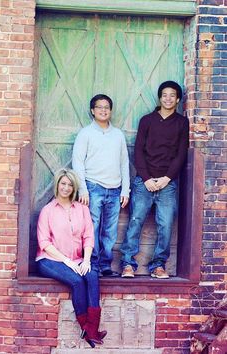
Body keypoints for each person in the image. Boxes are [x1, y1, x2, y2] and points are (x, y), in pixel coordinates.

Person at [120, 81, 189, 279]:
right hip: (144, 182)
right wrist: (147, 178)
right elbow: (138, 151)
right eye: (164, 94)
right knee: (135, 220)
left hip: (167, 183)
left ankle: (158, 266)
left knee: (166, 224)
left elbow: (181, 154)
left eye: (172, 95)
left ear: (177, 99)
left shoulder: (182, 123)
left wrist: (167, 178)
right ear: (160, 98)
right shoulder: (147, 120)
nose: (168, 98)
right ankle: (127, 264)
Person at [36, 169, 107, 348]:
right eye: (63, 183)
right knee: (76, 281)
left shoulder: (82, 209)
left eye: (69, 184)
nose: (66, 188)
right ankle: (87, 328)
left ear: (74, 188)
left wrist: (86, 260)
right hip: (49, 259)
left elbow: (89, 236)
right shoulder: (48, 210)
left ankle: (91, 330)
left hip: (77, 259)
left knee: (91, 276)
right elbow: (44, 242)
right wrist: (66, 261)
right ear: (57, 185)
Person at [72, 94, 130, 277]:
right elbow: (78, 162)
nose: (103, 110)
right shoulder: (86, 133)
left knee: (110, 230)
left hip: (114, 189)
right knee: (93, 227)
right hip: (93, 186)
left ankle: (106, 265)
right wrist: (83, 189)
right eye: (99, 107)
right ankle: (93, 264)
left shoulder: (118, 134)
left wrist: (125, 189)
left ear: (110, 110)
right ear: (92, 110)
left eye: (106, 107)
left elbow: (124, 163)